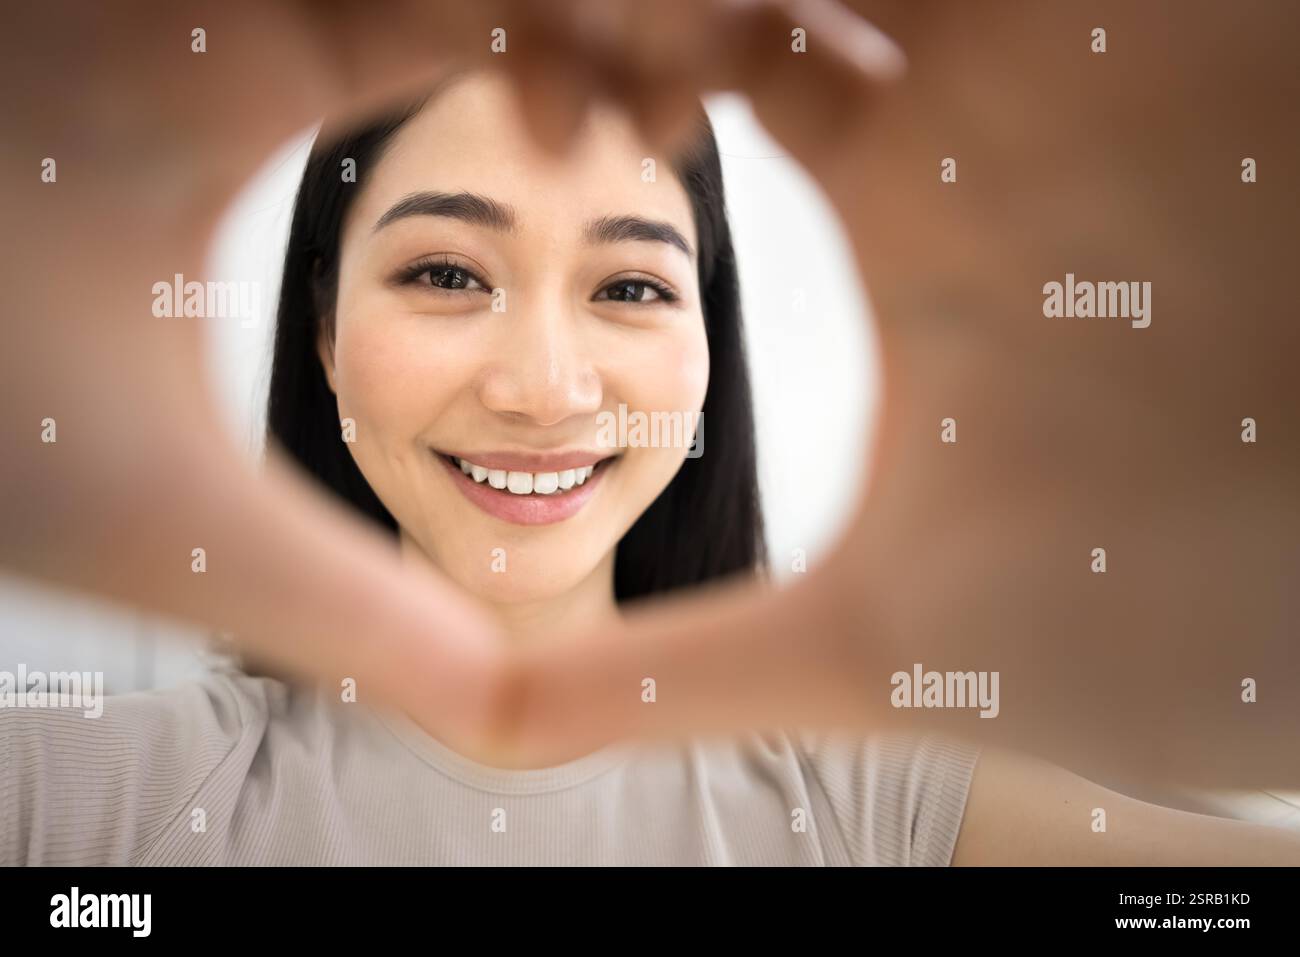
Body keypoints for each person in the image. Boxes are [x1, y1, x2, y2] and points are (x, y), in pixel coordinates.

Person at [2, 0, 1297, 800]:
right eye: (448, 271)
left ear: (710, 347)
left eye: (629, 287)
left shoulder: (882, 791)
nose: (544, 388)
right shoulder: (93, 792)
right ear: (325, 335)